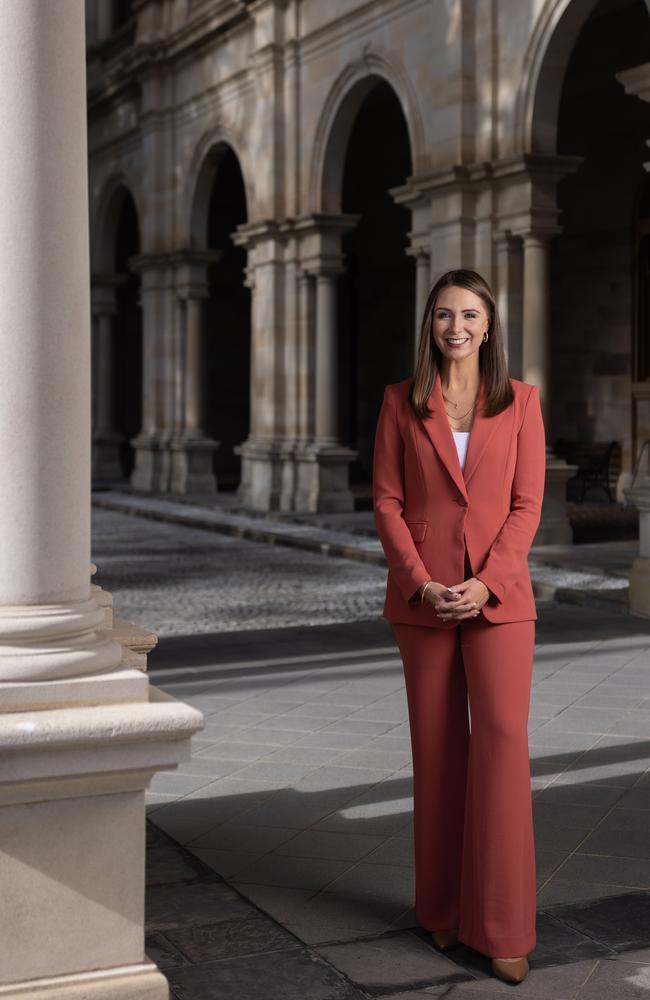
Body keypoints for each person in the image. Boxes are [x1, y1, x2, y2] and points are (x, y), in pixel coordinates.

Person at [372, 268, 546, 985]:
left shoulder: (523, 403)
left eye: (469, 314)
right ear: (431, 325)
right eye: (444, 315)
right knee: (438, 752)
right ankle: (441, 909)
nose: (456, 327)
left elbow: (526, 506)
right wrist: (425, 583)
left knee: (502, 748)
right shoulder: (400, 402)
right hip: (424, 600)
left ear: (489, 323)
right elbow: (384, 502)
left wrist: (483, 583)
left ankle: (502, 927)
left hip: (499, 600)